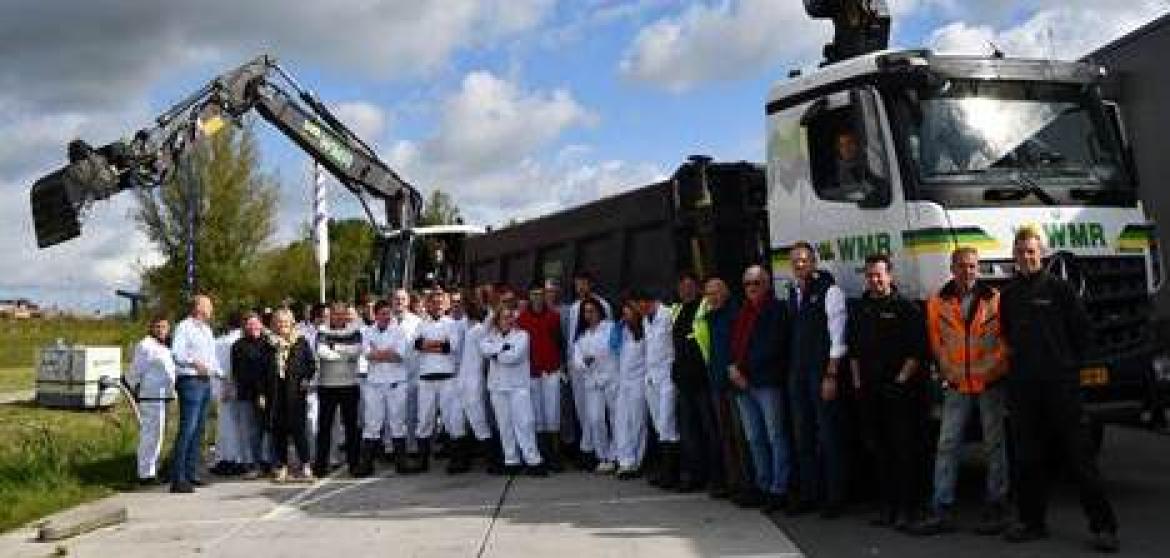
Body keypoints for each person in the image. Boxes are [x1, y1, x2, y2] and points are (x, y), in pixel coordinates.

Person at [999, 228, 1119, 552]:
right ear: (1014, 255)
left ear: (1043, 255)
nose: (1027, 256)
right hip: (1025, 391)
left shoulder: (1061, 290)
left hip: (1061, 389)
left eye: (1032, 251)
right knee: (1027, 459)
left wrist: (1068, 370)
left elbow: (1083, 335)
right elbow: (1008, 337)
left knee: (1080, 460)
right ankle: (1031, 522)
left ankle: (1103, 527)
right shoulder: (1008, 296)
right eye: (1021, 251)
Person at [910, 247, 1010, 536]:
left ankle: (998, 503)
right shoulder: (937, 303)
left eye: (973, 266)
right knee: (947, 445)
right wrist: (946, 369)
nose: (969, 272)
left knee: (995, 445)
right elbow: (936, 342)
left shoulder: (994, 300)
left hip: (989, 383)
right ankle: (942, 506)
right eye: (963, 266)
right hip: (956, 385)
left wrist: (994, 367)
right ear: (952, 268)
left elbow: (1005, 340)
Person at [848, 254, 929, 529]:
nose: (875, 279)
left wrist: (900, 381)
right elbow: (855, 351)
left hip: (900, 391)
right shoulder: (861, 308)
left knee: (904, 451)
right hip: (870, 391)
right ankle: (887, 507)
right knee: (879, 451)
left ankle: (909, 508)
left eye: (879, 274)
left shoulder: (905, 308)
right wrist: (858, 384)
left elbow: (917, 351)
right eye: (870, 275)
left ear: (890, 275)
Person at [786, 242, 849, 517]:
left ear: (813, 262)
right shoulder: (794, 294)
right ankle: (810, 494)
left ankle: (834, 497)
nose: (799, 265)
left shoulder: (829, 291)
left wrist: (831, 375)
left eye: (804, 260)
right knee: (803, 437)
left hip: (821, 373)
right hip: (798, 373)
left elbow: (838, 337)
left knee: (829, 436)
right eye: (795, 261)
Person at [728, 265, 792, 514]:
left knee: (776, 436)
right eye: (747, 284)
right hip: (742, 383)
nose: (752, 288)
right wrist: (733, 369)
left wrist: (745, 373)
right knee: (754, 438)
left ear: (767, 284)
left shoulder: (776, 310)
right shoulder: (742, 312)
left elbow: (775, 346)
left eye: (757, 283)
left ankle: (779, 488)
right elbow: (734, 344)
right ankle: (762, 485)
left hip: (766, 383)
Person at [704, 278, 757, 506]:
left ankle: (748, 484)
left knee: (742, 436)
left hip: (734, 384)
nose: (712, 297)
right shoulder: (709, 317)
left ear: (725, 293)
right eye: (709, 294)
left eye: (716, 293)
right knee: (725, 436)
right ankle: (733, 482)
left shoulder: (735, 315)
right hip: (716, 383)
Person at [671, 272, 723, 494]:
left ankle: (717, 477)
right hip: (684, 383)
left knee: (710, 430)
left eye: (690, 286)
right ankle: (694, 475)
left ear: (698, 288)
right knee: (689, 433)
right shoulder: (676, 311)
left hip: (703, 380)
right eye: (682, 287)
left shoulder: (704, 307)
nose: (686, 290)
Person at [481, 304, 546, 476]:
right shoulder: (491, 335)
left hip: (518, 387)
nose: (507, 320)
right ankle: (511, 460)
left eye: (510, 317)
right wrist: (501, 349)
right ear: (498, 320)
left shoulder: (522, 335)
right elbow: (484, 349)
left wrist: (495, 353)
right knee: (504, 425)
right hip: (497, 387)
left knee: (524, 423)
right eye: (503, 317)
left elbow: (513, 357)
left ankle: (533, 461)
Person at [412, 289, 469, 473]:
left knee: (452, 419)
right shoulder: (421, 324)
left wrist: (428, 345)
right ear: (428, 304)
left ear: (445, 305)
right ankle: (422, 461)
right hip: (426, 378)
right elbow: (416, 345)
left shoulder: (452, 324)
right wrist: (437, 344)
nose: (437, 306)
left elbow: (450, 347)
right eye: (433, 302)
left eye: (440, 302)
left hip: (447, 378)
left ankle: (457, 460)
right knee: (424, 420)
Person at [169, 295, 222, 493]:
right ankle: (178, 477)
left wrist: (223, 376)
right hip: (190, 381)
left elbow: (212, 359)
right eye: (209, 305)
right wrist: (193, 362)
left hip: (205, 381)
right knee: (188, 429)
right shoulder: (184, 327)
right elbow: (177, 353)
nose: (212, 309)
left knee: (199, 430)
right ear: (198, 307)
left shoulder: (207, 330)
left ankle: (192, 472)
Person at [262, 308, 317, 483]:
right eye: (279, 322)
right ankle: (282, 467)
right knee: (278, 432)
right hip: (275, 393)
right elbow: (260, 371)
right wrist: (261, 393)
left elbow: (311, 364)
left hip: (295, 393)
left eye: (286, 322)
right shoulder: (267, 344)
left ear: (292, 323)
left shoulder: (301, 342)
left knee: (299, 431)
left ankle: (306, 465)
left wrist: (307, 379)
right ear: (273, 324)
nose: (282, 325)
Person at [565, 270, 612, 469]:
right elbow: (571, 337)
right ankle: (590, 450)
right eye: (578, 283)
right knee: (585, 411)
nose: (581, 287)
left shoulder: (604, 305)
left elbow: (608, 337)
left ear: (590, 284)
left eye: (584, 283)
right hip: (580, 367)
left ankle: (604, 453)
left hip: (605, 372)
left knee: (606, 415)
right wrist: (573, 362)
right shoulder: (574, 308)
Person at [517, 282, 566, 472]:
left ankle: (555, 455)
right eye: (534, 294)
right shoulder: (522, 319)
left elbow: (560, 342)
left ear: (545, 296)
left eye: (540, 294)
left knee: (552, 412)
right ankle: (541, 454)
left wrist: (561, 365)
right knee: (536, 414)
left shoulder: (554, 316)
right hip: (531, 373)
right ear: (529, 297)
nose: (537, 297)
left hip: (551, 370)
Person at [358, 300, 410, 475]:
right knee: (372, 423)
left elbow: (399, 356)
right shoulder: (367, 332)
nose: (386, 317)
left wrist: (377, 353)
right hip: (374, 383)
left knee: (397, 422)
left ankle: (401, 463)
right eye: (383, 313)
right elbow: (367, 355)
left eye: (389, 313)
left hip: (396, 382)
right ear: (376, 314)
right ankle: (366, 464)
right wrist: (387, 352)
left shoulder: (399, 331)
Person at [635, 290, 680, 489]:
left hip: (668, 377)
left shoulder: (668, 314)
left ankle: (673, 472)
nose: (639, 309)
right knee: (659, 425)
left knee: (668, 423)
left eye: (640, 304)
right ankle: (665, 470)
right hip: (652, 378)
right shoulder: (646, 320)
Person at [314, 302, 364, 477]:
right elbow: (321, 352)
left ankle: (354, 464)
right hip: (327, 385)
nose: (339, 317)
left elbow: (357, 350)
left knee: (352, 428)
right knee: (324, 428)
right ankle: (320, 466)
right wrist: (344, 354)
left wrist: (335, 347)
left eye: (342, 314)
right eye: (335, 314)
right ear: (330, 315)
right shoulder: (322, 331)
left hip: (349, 385)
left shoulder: (354, 330)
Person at [571, 298, 619, 473]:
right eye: (586, 312)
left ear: (600, 311)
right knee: (595, 419)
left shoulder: (612, 327)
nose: (589, 315)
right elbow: (576, 361)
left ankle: (617, 455)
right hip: (592, 382)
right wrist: (585, 361)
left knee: (615, 418)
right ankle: (603, 456)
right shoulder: (582, 335)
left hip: (612, 378)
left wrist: (593, 356)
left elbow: (612, 349)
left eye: (592, 311)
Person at [127, 314, 176, 485]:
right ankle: (144, 473)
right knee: (150, 435)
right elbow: (135, 371)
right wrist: (134, 388)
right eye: (158, 327)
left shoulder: (164, 346)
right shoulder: (145, 346)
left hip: (163, 396)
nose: (162, 330)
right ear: (151, 328)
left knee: (158, 435)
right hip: (150, 395)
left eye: (165, 327)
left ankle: (152, 469)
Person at [231, 312, 274, 479]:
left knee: (270, 430)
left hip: (268, 393)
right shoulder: (238, 346)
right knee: (254, 432)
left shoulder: (268, 344)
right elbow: (238, 373)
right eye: (249, 324)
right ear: (244, 327)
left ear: (261, 325)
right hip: (248, 395)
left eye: (256, 323)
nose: (253, 327)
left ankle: (271, 463)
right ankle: (255, 465)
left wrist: (264, 392)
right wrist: (256, 393)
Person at [613, 298, 648, 479]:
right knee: (621, 422)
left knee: (637, 423)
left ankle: (636, 461)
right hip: (623, 383)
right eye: (623, 313)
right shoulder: (622, 331)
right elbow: (613, 348)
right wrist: (617, 331)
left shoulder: (645, 331)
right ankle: (625, 461)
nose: (625, 316)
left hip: (639, 383)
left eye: (628, 313)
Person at [458, 296, 495, 470]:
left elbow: (486, 350)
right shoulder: (468, 327)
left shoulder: (480, 329)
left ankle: (491, 459)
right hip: (463, 379)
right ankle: (464, 458)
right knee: (462, 419)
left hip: (473, 379)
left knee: (477, 417)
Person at [211, 316, 243, 476]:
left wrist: (221, 388)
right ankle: (236, 459)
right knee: (238, 426)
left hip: (225, 387)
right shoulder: (239, 340)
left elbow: (216, 367)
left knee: (226, 426)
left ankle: (226, 458)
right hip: (238, 387)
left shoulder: (219, 342)